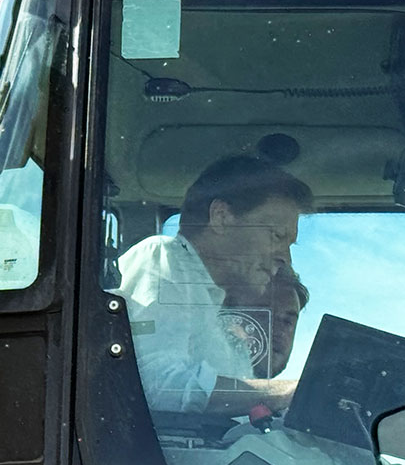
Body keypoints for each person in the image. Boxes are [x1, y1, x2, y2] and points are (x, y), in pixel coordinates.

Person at [115, 154, 310, 413]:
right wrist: (283, 393)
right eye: (276, 235)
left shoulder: (224, 321)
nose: (285, 258)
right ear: (221, 217)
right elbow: (154, 384)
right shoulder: (163, 256)